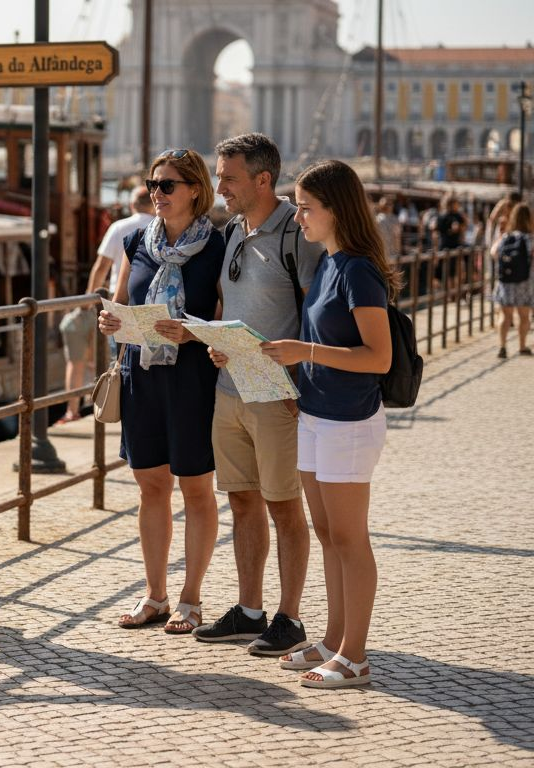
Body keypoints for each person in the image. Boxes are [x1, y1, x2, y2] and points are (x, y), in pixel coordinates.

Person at [259, 159, 398, 689]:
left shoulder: (358, 269)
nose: (298, 217)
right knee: (325, 533)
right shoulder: (328, 265)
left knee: (348, 536)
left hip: (350, 420)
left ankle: (355, 656)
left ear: (336, 209)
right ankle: (334, 639)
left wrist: (302, 349)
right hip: (316, 413)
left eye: (306, 207)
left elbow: (378, 357)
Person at [194, 133, 321, 657]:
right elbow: (234, 305)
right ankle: (250, 611)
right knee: (243, 500)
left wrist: (305, 383)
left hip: (278, 396)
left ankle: (290, 617)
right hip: (231, 389)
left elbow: (319, 313)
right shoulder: (233, 232)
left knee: (284, 506)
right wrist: (220, 342)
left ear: (262, 180)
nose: (218, 186)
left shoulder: (299, 232)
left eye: (228, 177)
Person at [97, 148, 223, 635]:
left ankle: (190, 600)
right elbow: (122, 303)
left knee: (196, 489)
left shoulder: (218, 245)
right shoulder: (136, 242)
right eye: (153, 184)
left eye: (167, 185)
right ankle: (155, 594)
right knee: (151, 487)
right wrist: (111, 320)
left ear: (195, 189)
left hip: (192, 382)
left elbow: (226, 317)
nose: (157, 193)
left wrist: (194, 332)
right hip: (141, 377)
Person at [87, 185, 155, 297]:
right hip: (151, 296)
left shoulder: (118, 227)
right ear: (153, 204)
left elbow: (101, 267)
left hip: (118, 295)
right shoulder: (162, 227)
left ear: (131, 205)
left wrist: (88, 301)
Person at [491, 202, 534, 358]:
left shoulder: (506, 237)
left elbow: (494, 252)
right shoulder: (530, 238)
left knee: (504, 316)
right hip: (525, 282)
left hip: (506, 281)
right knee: (524, 316)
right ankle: (522, 346)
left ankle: (502, 347)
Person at [55, 305, 92, 424]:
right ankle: (77, 410)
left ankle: (72, 411)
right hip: (105, 309)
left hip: (92, 311)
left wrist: (83, 306)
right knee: (91, 362)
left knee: (76, 364)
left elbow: (92, 289)